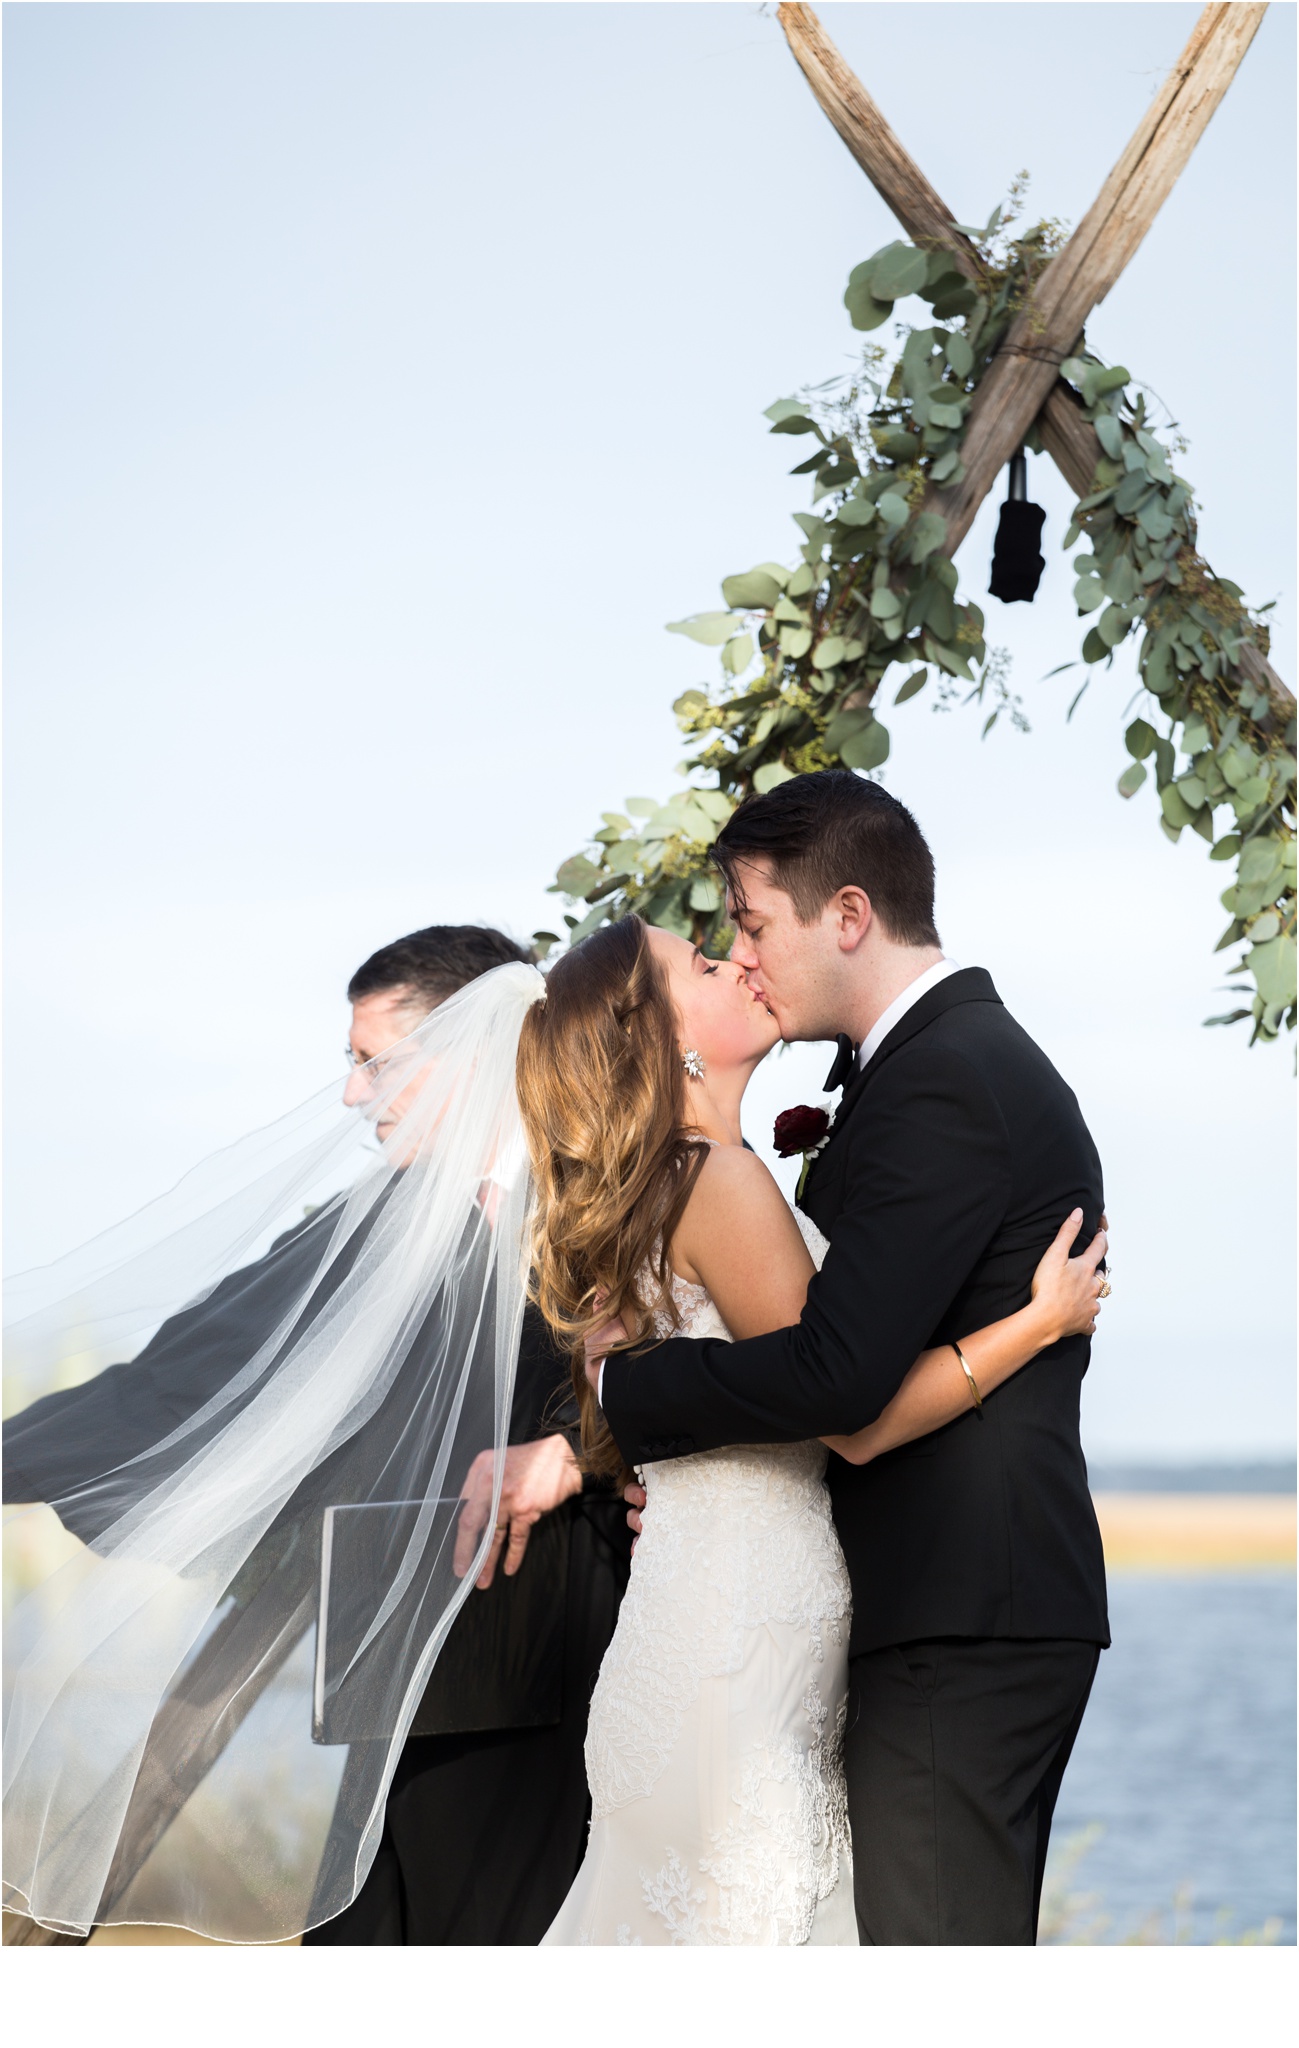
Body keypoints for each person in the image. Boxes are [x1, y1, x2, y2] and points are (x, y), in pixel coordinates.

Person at [4, 925, 629, 1947]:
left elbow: (686, 1361)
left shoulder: (607, 1191)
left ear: (469, 1051)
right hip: (389, 1675)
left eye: (374, 1062)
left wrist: (575, 1449)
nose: (351, 1095)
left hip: (556, 1670)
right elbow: (186, 1369)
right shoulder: (376, 1224)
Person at [512, 908, 1105, 1946]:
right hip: (741, 1649)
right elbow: (851, 1416)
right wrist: (1035, 1322)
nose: (735, 959)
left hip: (698, 1629)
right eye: (700, 960)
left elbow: (736, 1393)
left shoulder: (664, 1187)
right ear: (660, 1036)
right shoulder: (720, 1179)